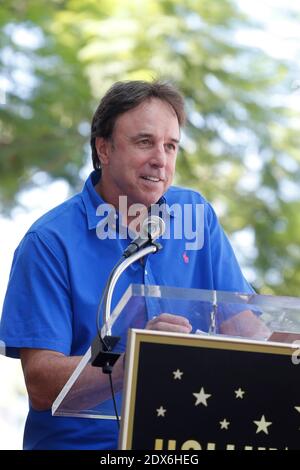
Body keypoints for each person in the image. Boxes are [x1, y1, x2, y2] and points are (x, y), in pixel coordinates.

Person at [0, 80, 259, 450]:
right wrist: (137, 360)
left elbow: (247, 330)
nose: (161, 159)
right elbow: (41, 384)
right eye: (145, 142)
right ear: (103, 148)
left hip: (183, 444)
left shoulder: (196, 217)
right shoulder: (48, 242)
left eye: (171, 146)